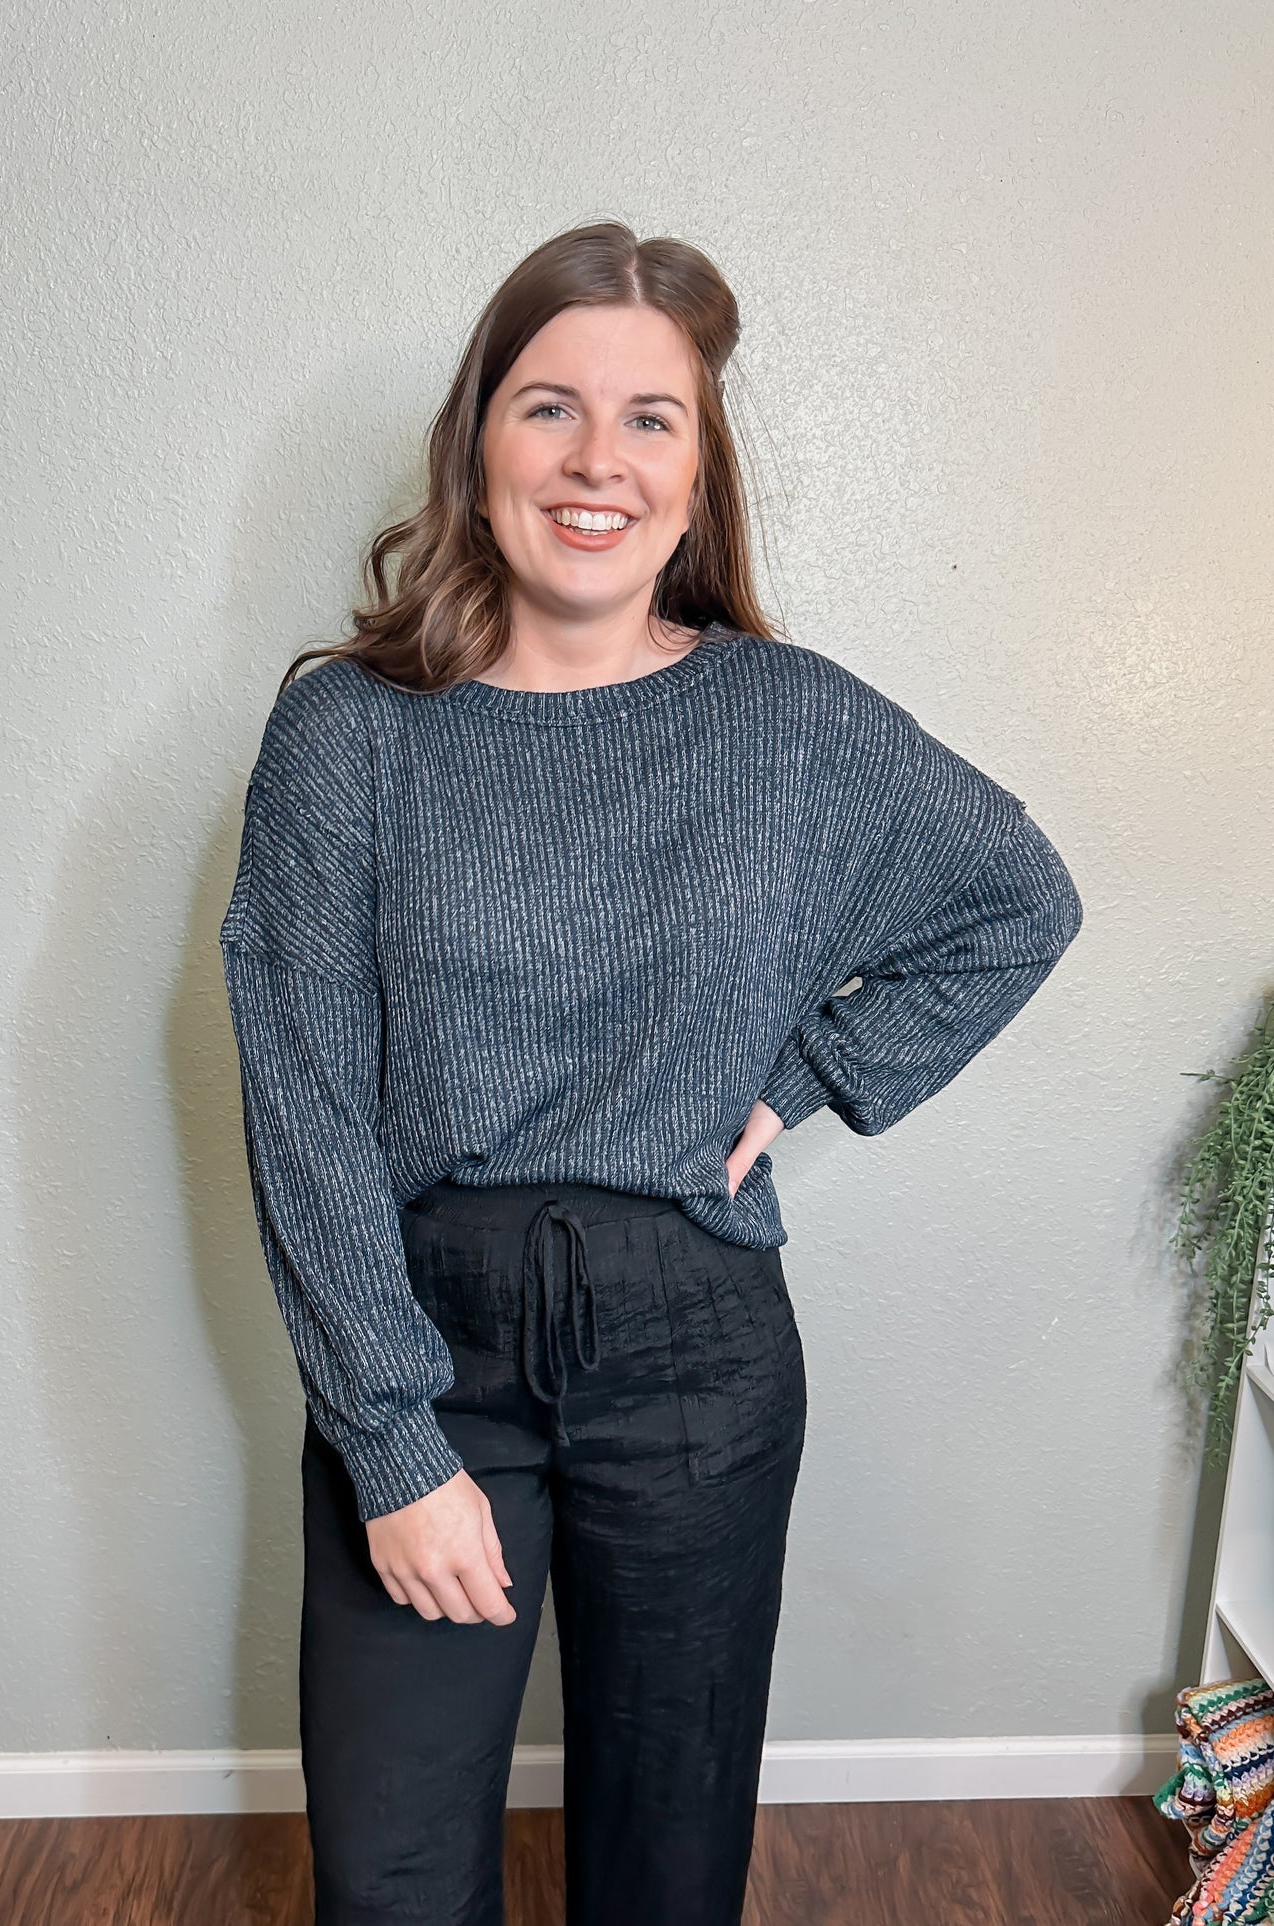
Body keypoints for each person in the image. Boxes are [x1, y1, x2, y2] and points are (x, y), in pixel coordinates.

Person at [218, 220, 1083, 1926]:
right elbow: (303, 1103)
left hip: (696, 1357)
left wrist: (814, 1069)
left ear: (698, 475)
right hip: (425, 1342)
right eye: (549, 407)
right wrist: (389, 1440)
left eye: (649, 419)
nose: (595, 460)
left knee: (666, 1872)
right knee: (389, 1881)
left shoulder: (791, 724)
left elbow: (1017, 898)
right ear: (480, 445)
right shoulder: (349, 734)